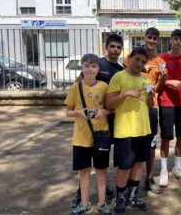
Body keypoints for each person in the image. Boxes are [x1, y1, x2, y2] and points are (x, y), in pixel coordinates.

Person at [71, 34, 123, 208]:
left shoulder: (121, 69)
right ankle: (80, 196)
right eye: (112, 46)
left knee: (102, 159)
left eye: (118, 47)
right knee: (85, 162)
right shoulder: (97, 64)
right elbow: (80, 83)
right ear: (106, 47)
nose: (115, 50)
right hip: (90, 122)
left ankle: (105, 190)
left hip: (110, 119)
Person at [106, 47, 154, 213]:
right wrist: (125, 94)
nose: (139, 64)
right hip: (125, 129)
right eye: (137, 59)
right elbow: (109, 104)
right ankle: (120, 198)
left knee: (139, 163)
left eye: (143, 62)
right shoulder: (119, 77)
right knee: (125, 166)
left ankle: (133, 196)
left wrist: (150, 98)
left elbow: (149, 105)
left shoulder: (146, 81)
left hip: (143, 129)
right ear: (129, 58)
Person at [66, 54, 112, 215]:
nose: (90, 69)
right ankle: (84, 204)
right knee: (84, 171)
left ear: (98, 69)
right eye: (87, 66)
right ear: (82, 68)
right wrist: (79, 112)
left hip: (100, 134)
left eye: (93, 66)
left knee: (101, 171)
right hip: (81, 136)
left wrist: (101, 112)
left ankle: (102, 203)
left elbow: (110, 109)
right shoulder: (75, 87)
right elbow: (68, 112)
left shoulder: (104, 87)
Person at [123, 27, 166, 194]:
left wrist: (163, 80)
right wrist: (142, 68)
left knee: (151, 144)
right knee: (132, 143)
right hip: (133, 106)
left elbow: (158, 89)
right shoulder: (132, 56)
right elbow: (125, 74)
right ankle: (128, 181)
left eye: (155, 38)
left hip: (151, 107)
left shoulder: (160, 61)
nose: (152, 40)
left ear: (158, 40)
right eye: (149, 37)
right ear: (144, 38)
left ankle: (148, 179)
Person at [158, 29, 181, 187]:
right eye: (175, 39)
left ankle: (177, 168)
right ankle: (164, 171)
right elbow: (158, 82)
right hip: (166, 102)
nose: (178, 42)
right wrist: (168, 82)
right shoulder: (162, 59)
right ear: (171, 40)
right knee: (166, 137)